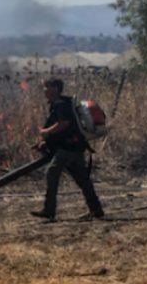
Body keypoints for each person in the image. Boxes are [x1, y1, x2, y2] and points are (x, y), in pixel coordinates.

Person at [30, 78, 104, 222]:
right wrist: (45, 142)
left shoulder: (61, 105)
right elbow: (61, 126)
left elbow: (64, 124)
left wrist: (46, 132)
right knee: (82, 179)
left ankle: (49, 210)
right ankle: (96, 209)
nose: (44, 91)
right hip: (74, 147)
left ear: (56, 89)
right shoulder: (61, 104)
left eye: (47, 88)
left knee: (52, 172)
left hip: (68, 148)